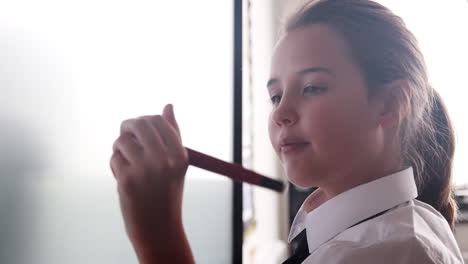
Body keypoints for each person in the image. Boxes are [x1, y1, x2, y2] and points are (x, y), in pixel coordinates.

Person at [109, 0, 465, 263]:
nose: (280, 112)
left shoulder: (378, 252)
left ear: (388, 104)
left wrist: (157, 233)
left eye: (312, 87)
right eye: (275, 95)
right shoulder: (401, 223)